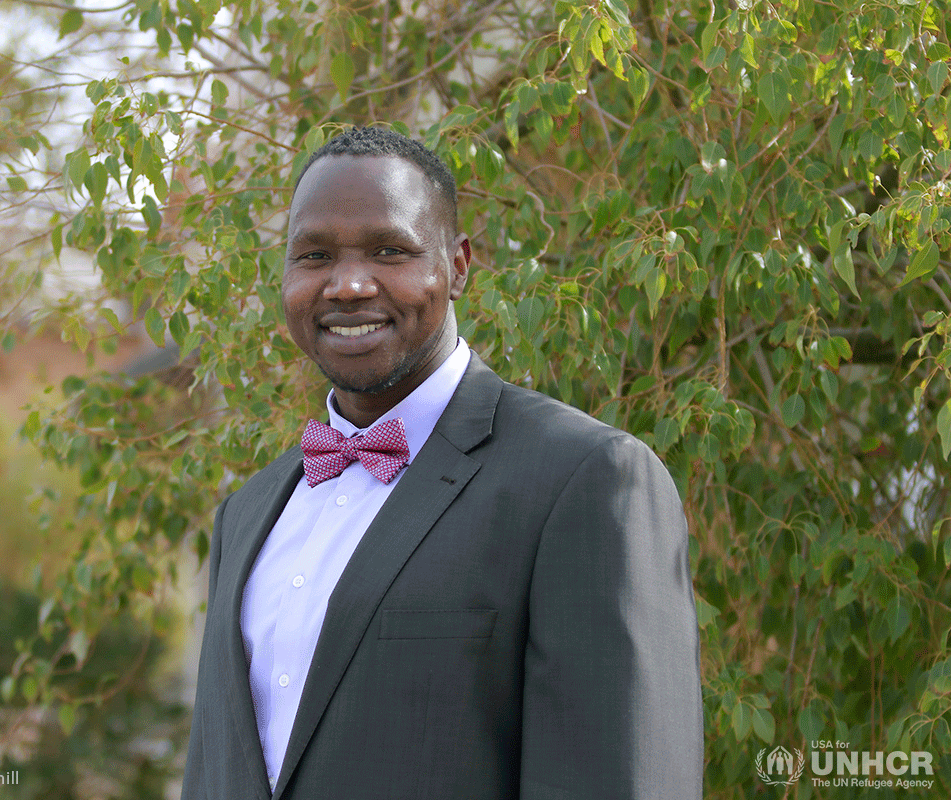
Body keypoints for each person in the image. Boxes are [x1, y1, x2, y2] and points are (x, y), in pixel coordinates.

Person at [181, 126, 703, 800]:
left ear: (458, 266)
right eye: (314, 256)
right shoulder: (245, 514)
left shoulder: (584, 480)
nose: (347, 285)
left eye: (389, 250)